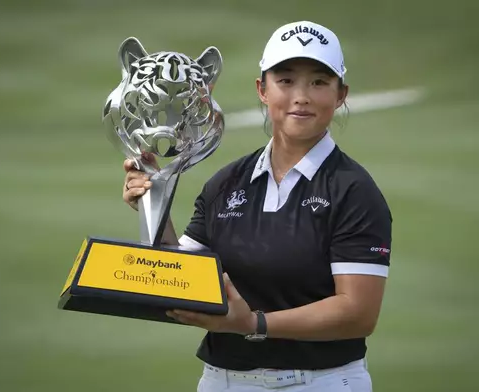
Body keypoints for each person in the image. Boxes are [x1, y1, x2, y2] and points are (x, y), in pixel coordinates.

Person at [123, 20, 392, 392]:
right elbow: (181, 278)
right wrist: (154, 203)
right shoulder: (226, 183)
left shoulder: (354, 191)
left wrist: (254, 324)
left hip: (322, 383)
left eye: (318, 81)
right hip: (224, 381)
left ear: (341, 93)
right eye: (285, 81)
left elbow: (357, 314)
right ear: (262, 90)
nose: (302, 96)